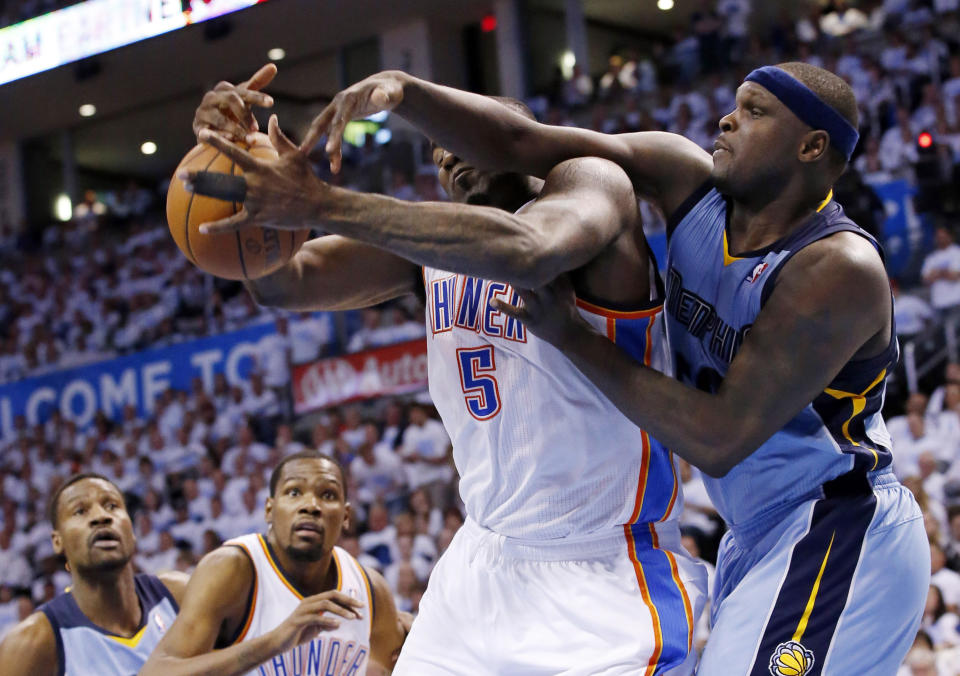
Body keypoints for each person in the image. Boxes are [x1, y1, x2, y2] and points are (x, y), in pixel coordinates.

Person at [298, 62, 929, 673]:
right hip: (752, 532)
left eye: (754, 112)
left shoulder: (837, 267)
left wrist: (570, 337)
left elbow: (717, 438)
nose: (727, 120)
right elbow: (521, 142)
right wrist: (405, 92)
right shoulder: (685, 174)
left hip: (838, 523)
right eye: (734, 104)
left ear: (811, 146)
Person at [186, 64, 706, 674]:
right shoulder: (432, 248)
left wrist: (323, 203)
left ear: (511, 135)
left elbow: (526, 249)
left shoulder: (593, 189)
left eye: (460, 140)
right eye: (436, 153)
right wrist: (236, 165)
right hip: (482, 562)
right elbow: (285, 284)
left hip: (605, 565)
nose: (448, 158)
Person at [140, 451, 407, 676]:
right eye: (294, 492)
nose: (310, 505)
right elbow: (157, 672)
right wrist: (276, 641)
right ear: (269, 509)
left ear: (346, 515)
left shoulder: (370, 589)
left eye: (327, 495)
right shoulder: (233, 568)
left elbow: (390, 667)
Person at [0, 474, 188, 675]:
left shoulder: (179, 594)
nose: (101, 517)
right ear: (57, 541)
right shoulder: (32, 643)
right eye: (80, 511)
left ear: (131, 530)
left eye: (112, 506)